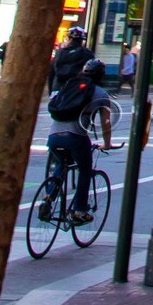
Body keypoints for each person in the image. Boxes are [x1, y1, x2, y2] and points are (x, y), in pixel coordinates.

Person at [43, 55, 113, 223]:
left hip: (53, 137)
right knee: (85, 170)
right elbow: (106, 123)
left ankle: (48, 197)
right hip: (75, 137)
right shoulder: (101, 94)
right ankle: (79, 211)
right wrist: (107, 144)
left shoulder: (69, 86)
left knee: (62, 163)